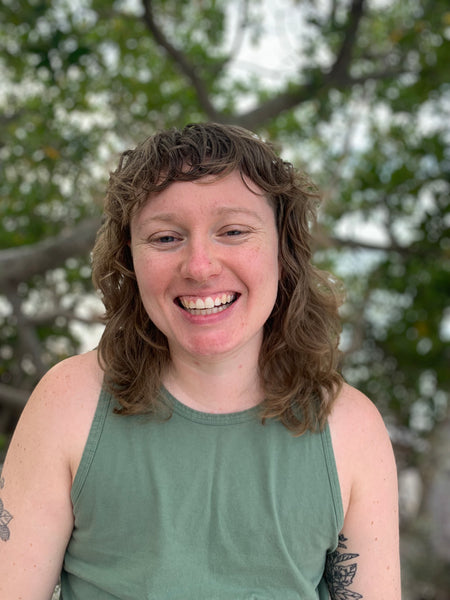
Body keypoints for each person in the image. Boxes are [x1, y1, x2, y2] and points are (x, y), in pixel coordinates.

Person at [0, 122, 400, 599]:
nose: (199, 266)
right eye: (166, 238)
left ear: (284, 250)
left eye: (233, 231)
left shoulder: (351, 430)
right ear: (130, 258)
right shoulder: (68, 404)